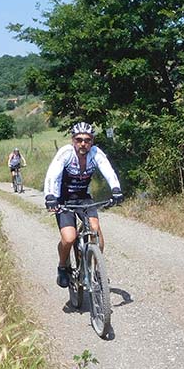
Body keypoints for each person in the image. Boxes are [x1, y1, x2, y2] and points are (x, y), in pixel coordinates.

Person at [44, 122, 124, 288]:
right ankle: (62, 266)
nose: (83, 143)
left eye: (87, 140)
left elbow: (108, 170)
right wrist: (50, 196)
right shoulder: (66, 153)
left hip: (83, 198)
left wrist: (116, 189)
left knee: (95, 230)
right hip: (63, 199)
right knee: (69, 238)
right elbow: (53, 174)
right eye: (79, 139)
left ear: (92, 141)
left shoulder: (95, 153)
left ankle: (97, 270)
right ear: (73, 140)